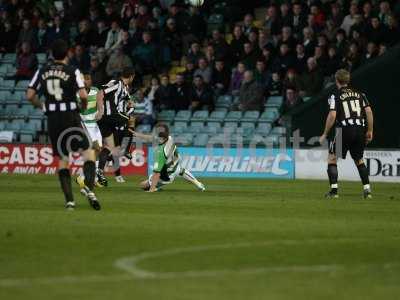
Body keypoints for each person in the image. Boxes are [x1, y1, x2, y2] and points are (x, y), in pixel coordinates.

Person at [26, 39, 100, 210]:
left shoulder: (42, 70)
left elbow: (30, 95)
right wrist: (81, 106)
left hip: (53, 119)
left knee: (63, 159)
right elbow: (83, 95)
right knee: (88, 152)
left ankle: (70, 202)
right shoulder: (72, 70)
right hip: (70, 117)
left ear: (52, 54)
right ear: (68, 53)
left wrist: (42, 106)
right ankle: (88, 187)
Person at [319, 69, 374, 199]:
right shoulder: (360, 94)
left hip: (343, 131)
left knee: (332, 158)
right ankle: (367, 190)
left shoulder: (335, 96)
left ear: (336, 81)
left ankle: (334, 191)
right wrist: (370, 130)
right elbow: (369, 112)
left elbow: (332, 115)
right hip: (360, 130)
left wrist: (325, 133)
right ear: (348, 80)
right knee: (359, 160)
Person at [133, 124, 205, 192]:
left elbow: (157, 173)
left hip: (167, 176)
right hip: (175, 166)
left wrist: (152, 189)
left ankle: (156, 187)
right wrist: (137, 134)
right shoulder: (169, 138)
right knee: (180, 170)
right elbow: (151, 138)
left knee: (142, 185)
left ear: (160, 137)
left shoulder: (161, 152)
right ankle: (198, 184)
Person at [95, 67, 136, 187]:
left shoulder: (124, 88)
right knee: (131, 120)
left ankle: (99, 171)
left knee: (109, 147)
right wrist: (101, 110)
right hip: (111, 116)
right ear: (132, 76)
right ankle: (127, 150)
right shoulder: (116, 83)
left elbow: (129, 100)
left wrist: (130, 103)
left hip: (108, 120)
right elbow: (101, 92)